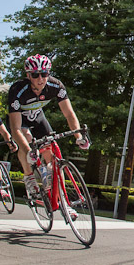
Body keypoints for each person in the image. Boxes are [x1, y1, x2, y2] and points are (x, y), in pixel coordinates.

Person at [8, 54, 90, 198]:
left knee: (52, 156)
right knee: (26, 138)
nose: (40, 79)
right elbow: (15, 129)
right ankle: (29, 178)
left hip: (38, 117)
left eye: (44, 74)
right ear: (28, 75)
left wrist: (78, 136)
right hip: (21, 119)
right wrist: (29, 152)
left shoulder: (56, 86)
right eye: (35, 75)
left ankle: (63, 200)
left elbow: (69, 114)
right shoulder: (17, 90)